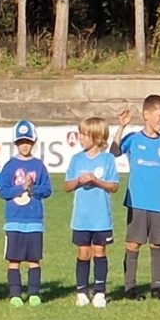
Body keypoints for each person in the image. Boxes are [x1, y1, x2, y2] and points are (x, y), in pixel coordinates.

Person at [111, 95, 160, 300]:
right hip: (137, 202)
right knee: (133, 244)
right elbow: (114, 152)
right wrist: (121, 127)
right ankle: (129, 288)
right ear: (146, 115)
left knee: (157, 245)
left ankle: (157, 287)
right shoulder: (134, 139)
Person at [64, 117, 119, 308]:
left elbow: (113, 187)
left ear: (96, 137)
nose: (79, 138)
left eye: (84, 134)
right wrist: (79, 180)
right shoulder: (76, 159)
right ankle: (81, 292)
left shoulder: (108, 159)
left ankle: (100, 292)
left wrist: (96, 181)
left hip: (101, 218)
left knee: (99, 252)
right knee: (83, 253)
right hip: (81, 218)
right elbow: (67, 186)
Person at [0, 120, 52, 307]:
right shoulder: (9, 166)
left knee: (34, 259)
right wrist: (21, 187)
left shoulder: (39, 165)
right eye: (21, 142)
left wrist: (33, 188)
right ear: (15, 143)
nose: (24, 145)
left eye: (28, 141)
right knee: (14, 259)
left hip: (34, 220)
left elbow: (48, 190)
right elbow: (2, 191)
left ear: (34, 141)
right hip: (14, 221)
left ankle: (34, 293)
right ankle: (15, 293)